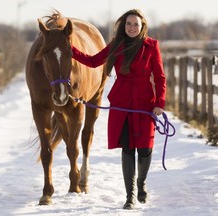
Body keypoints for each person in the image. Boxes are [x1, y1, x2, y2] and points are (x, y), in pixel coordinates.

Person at [71, 9, 166, 210]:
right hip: (122, 103)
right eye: (128, 24)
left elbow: (159, 77)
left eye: (135, 25)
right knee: (128, 149)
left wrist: (160, 102)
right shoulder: (117, 45)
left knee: (145, 149)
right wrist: (70, 50)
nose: (131, 28)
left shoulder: (151, 46)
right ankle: (129, 195)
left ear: (142, 27)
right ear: (124, 25)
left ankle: (141, 183)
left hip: (144, 103)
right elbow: (93, 61)